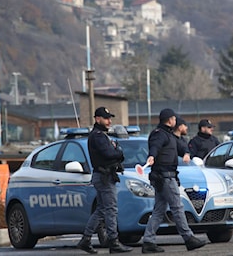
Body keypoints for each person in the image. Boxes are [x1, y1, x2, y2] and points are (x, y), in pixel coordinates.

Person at [142, 108, 206, 254]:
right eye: (174, 119)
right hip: (164, 177)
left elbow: (181, 147)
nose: (176, 121)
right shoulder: (159, 134)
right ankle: (188, 238)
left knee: (159, 210)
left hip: (166, 176)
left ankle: (148, 241)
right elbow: (155, 147)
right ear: (170, 120)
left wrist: (187, 153)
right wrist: (152, 156)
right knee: (177, 207)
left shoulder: (169, 135)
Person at [77, 107, 132, 254]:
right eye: (106, 118)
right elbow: (109, 154)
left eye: (110, 118)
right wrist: (118, 153)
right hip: (104, 176)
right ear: (97, 119)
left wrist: (116, 152)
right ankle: (113, 242)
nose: (109, 121)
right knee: (111, 209)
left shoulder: (100, 135)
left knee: (101, 209)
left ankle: (86, 239)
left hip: (103, 175)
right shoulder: (98, 136)